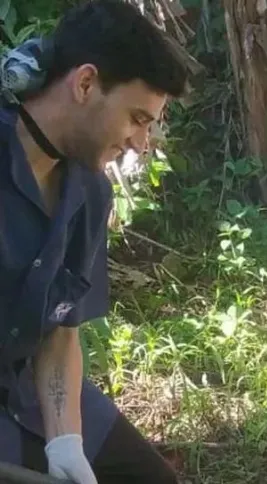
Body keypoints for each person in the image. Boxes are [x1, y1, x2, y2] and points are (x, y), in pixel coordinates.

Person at [0, 1, 189, 483]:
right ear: (85, 84)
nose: (140, 143)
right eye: (136, 118)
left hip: (29, 393)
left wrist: (66, 441)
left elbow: (60, 328)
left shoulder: (88, 191)